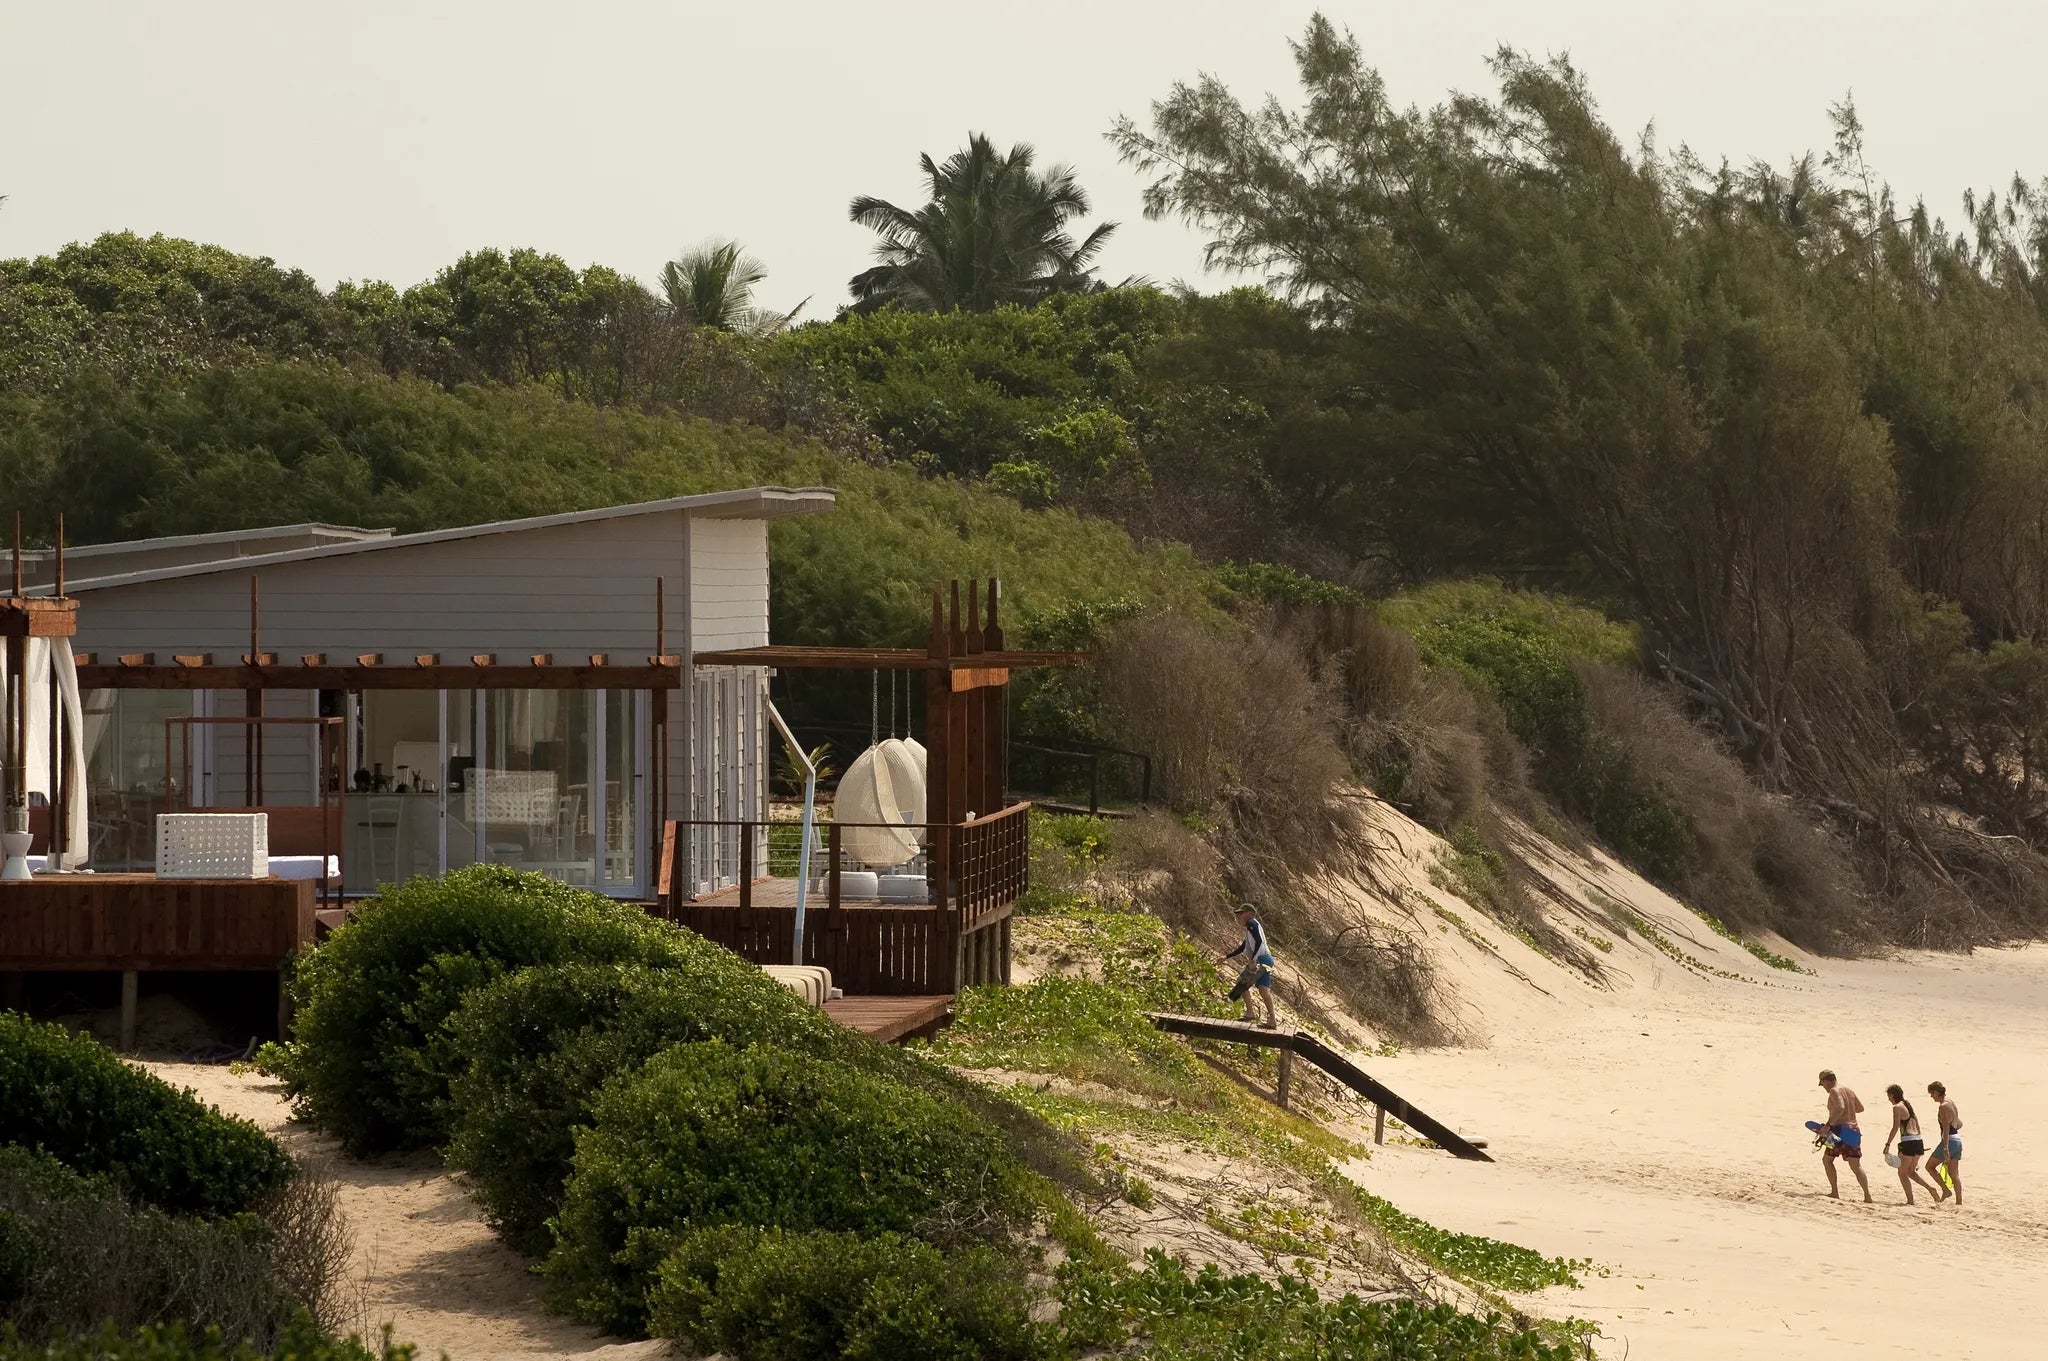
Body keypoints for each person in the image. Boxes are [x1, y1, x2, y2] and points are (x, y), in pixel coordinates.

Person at [1816, 1070, 1872, 1202]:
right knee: (1856, 1166)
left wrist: (1829, 1125)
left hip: (1839, 1131)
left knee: (1827, 1160)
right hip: (1854, 1130)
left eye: (1822, 1084)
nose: (1824, 1088)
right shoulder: (1848, 1090)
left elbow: (1840, 1107)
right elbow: (1860, 1108)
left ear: (1825, 1081)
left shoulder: (1834, 1091)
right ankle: (1867, 1195)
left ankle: (1834, 1192)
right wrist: (1849, 1110)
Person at [1221, 904, 1278, 1029]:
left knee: (1242, 982)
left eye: (1241, 914)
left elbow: (1259, 941)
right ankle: (1270, 1020)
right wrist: (1227, 956)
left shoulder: (1252, 923)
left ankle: (1252, 1013)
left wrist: (1253, 959)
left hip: (1261, 960)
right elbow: (1243, 947)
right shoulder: (1250, 928)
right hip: (1266, 959)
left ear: (1249, 914)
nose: (1239, 916)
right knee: (1262, 990)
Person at [1882, 1083, 1939, 1205]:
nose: (1888, 1099)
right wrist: (1920, 1146)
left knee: (1902, 1173)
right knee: (1910, 1172)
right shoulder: (1908, 1106)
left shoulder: (1897, 1107)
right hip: (1918, 1141)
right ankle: (1930, 1189)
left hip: (1908, 1142)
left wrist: (1887, 1144)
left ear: (1892, 1095)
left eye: (1888, 1096)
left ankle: (1910, 1200)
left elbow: (1895, 1127)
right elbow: (1918, 1126)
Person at [1924, 1081, 1964, 1205]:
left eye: (1931, 1093)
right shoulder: (1950, 1101)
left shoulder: (1943, 1106)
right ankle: (1959, 1202)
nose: (1931, 1096)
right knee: (1954, 1174)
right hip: (1957, 1140)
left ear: (1937, 1092)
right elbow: (1959, 1123)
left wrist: (1945, 1148)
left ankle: (1945, 1190)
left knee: (1929, 1167)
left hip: (1949, 1142)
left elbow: (1946, 1128)